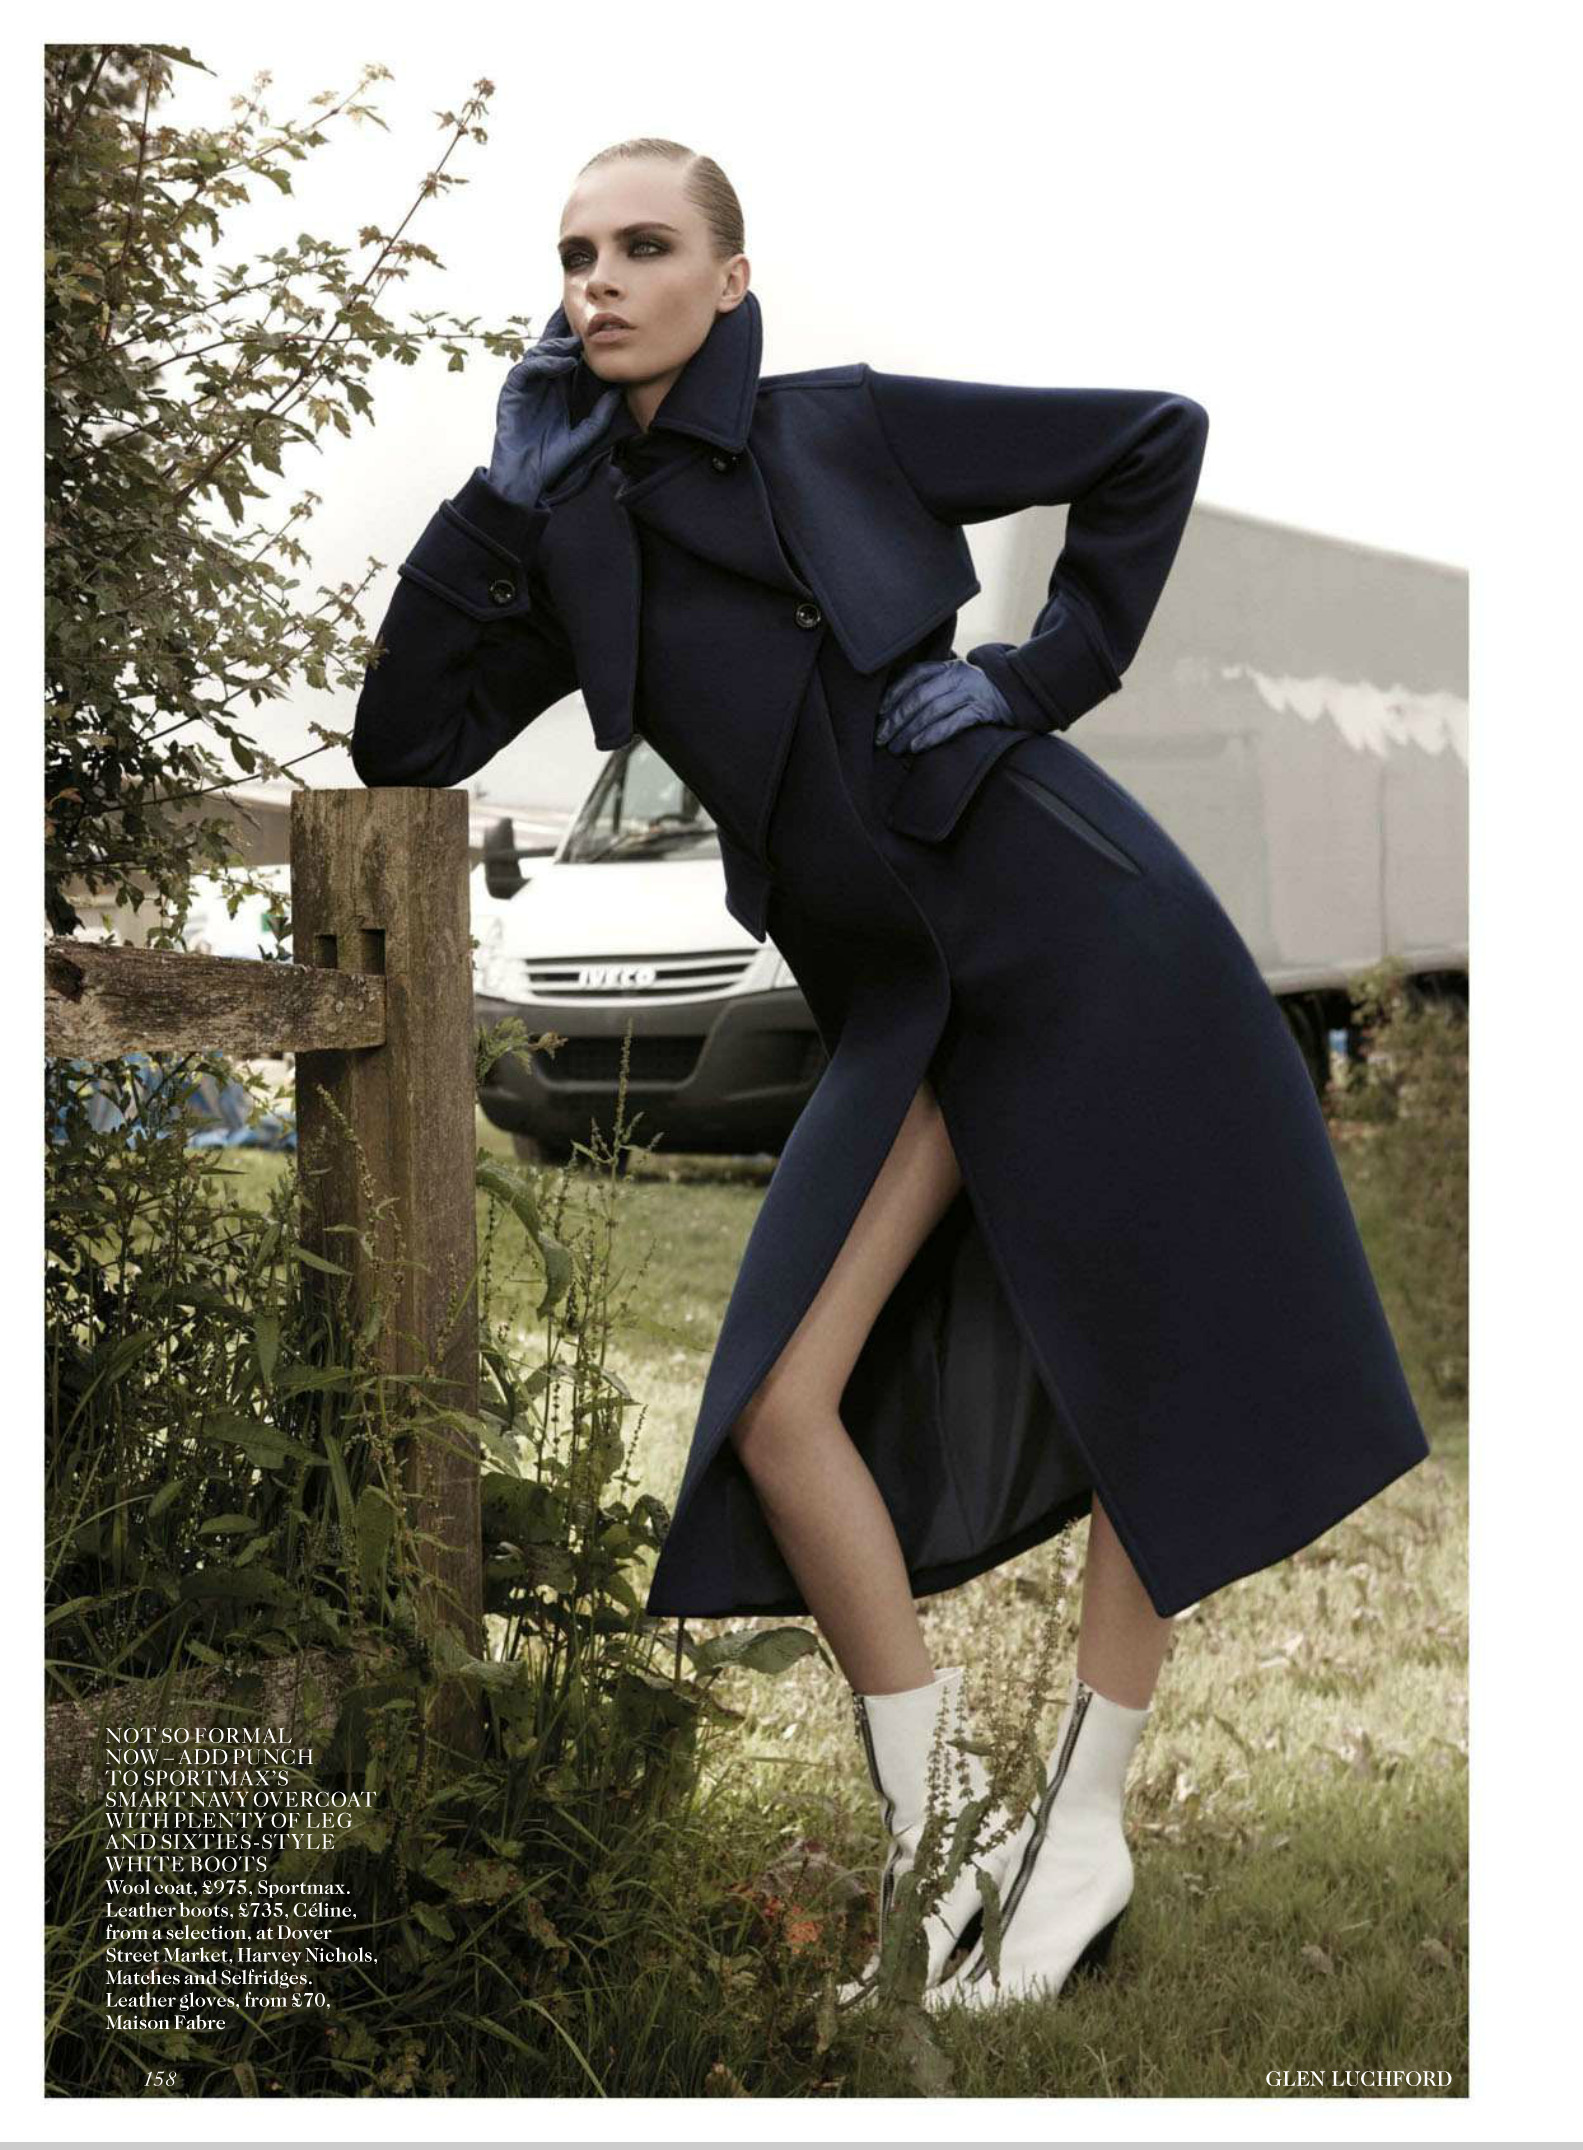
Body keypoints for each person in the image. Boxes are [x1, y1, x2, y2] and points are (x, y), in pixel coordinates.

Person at [350, 137, 1432, 2012]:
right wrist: (493, 503)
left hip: (1068, 924)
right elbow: (402, 740)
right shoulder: (571, 523)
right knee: (782, 1411)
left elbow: (1149, 438)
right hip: (896, 998)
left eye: (644, 246)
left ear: (731, 278)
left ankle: (1078, 1832)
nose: (599, 280)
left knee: (1149, 1358)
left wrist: (1034, 674)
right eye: (576, 253)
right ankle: (938, 1856)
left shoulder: (838, 423)